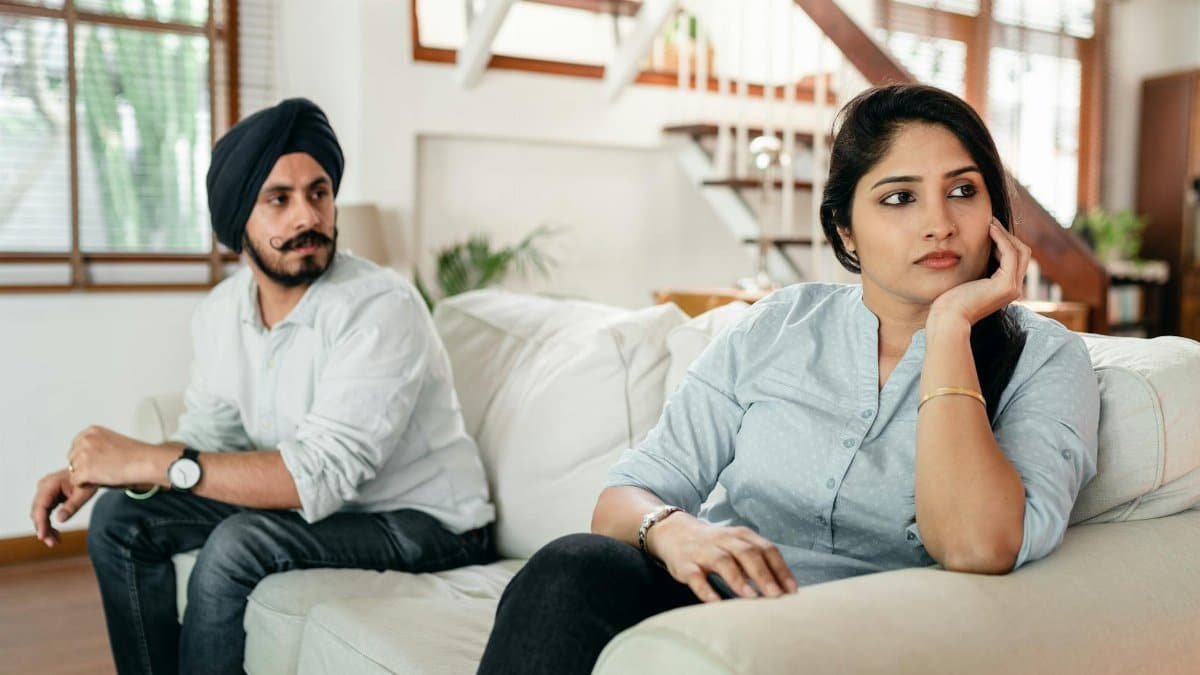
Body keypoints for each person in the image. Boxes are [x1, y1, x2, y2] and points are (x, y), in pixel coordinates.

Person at [476, 83, 1099, 674]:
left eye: (963, 191)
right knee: (569, 568)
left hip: (865, 639)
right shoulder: (778, 325)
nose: (939, 222)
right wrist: (673, 530)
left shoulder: (1043, 360)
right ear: (845, 229)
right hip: (711, 610)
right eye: (899, 197)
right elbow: (623, 499)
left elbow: (975, 546)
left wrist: (949, 329)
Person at [28, 98, 496, 675]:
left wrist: (156, 461)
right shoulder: (223, 312)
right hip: (331, 508)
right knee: (123, 519)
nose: (307, 217)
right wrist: (104, 472)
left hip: (427, 524)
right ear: (237, 223)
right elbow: (211, 433)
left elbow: (320, 472)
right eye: (279, 199)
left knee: (237, 545)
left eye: (318, 193)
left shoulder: (380, 307)